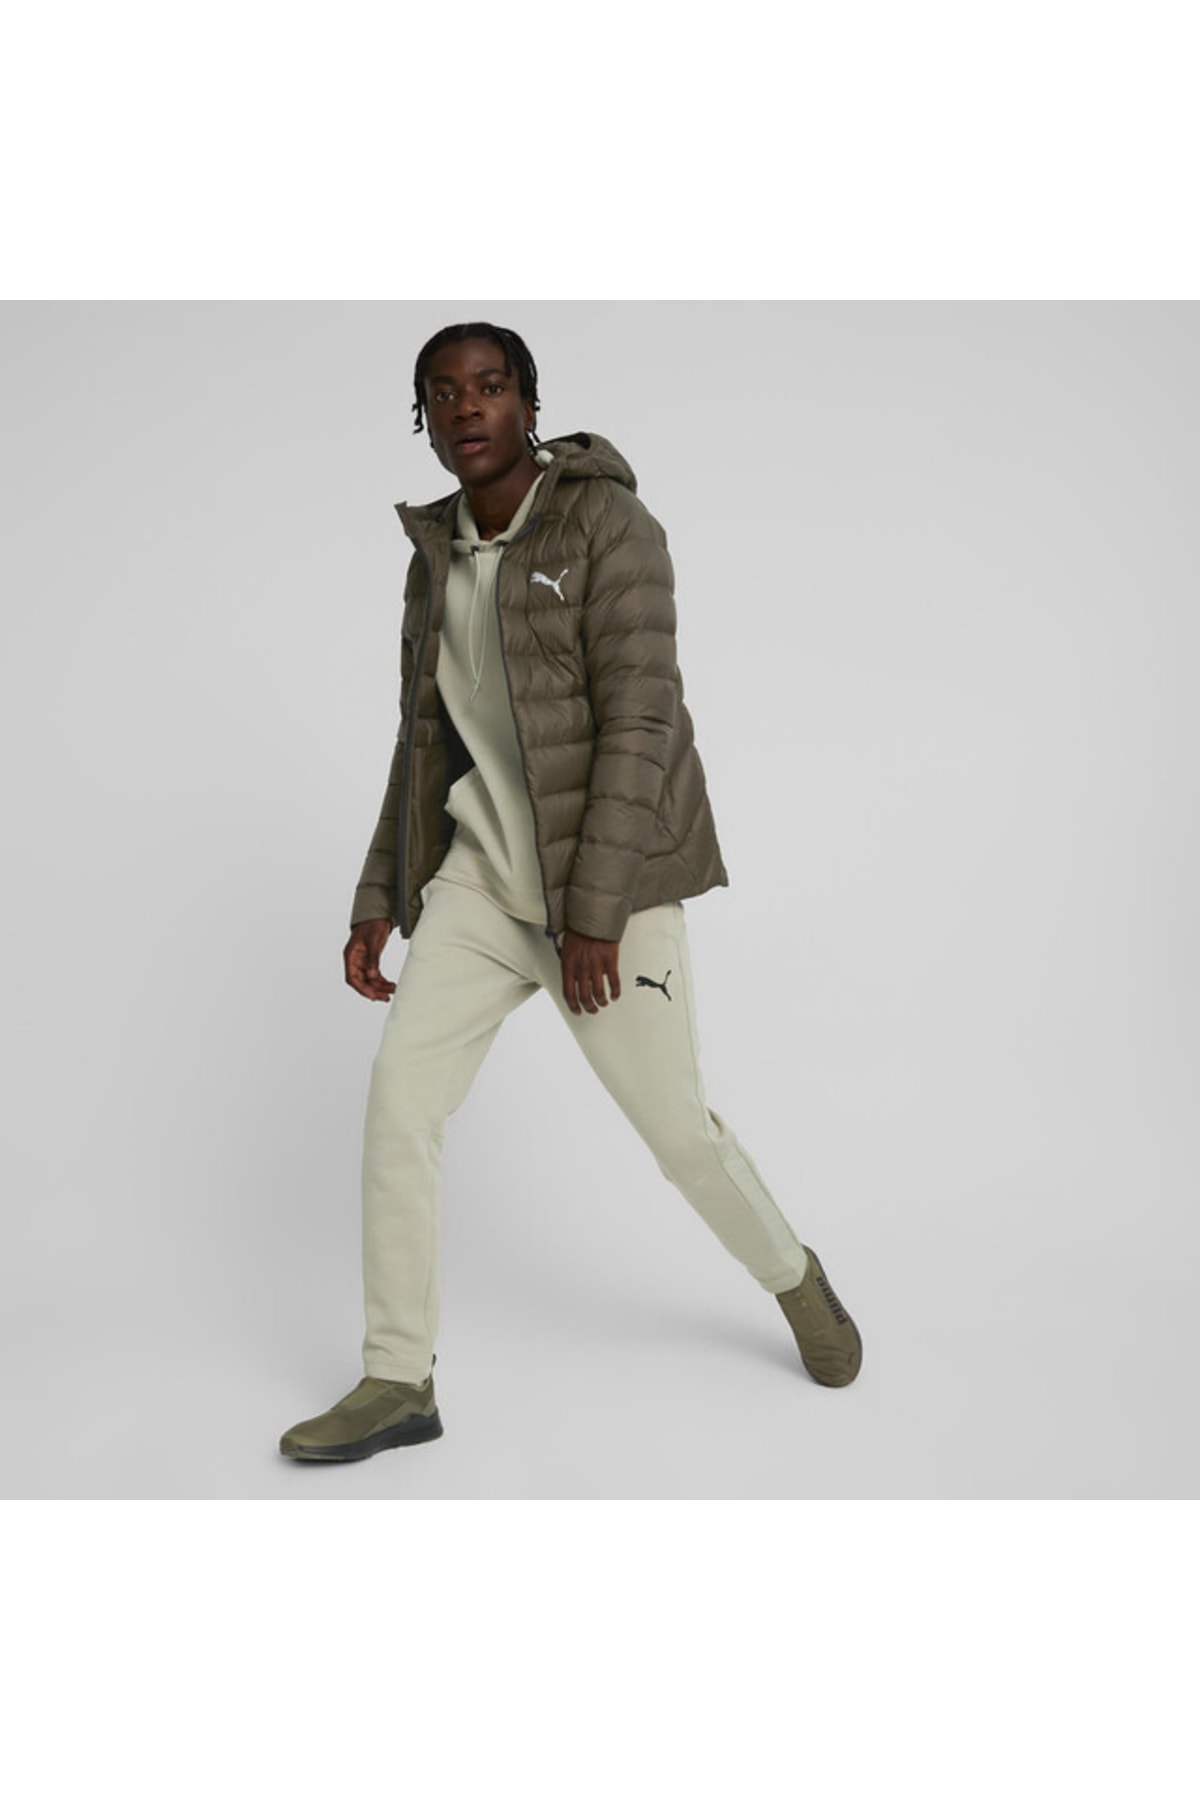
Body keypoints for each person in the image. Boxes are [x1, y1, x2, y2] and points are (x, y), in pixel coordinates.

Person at [279, 323, 862, 1463]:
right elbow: (421, 740)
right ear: (424, 419)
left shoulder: (609, 527)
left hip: (607, 881)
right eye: (444, 393)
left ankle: (795, 1277)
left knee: (677, 1134)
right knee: (400, 1103)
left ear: (530, 404)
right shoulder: (434, 555)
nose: (468, 408)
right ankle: (398, 1377)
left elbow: (641, 723)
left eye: (490, 386)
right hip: (481, 880)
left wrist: (595, 912)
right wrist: (377, 893)